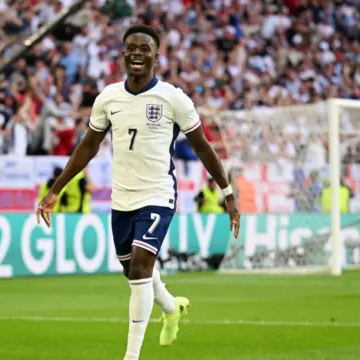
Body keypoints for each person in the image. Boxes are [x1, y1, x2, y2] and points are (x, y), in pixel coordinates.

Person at [36, 24, 240, 360]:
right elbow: (88, 146)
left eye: (144, 49)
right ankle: (172, 307)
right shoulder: (108, 98)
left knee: (143, 266)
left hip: (159, 193)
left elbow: (203, 146)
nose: (137, 54)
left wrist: (227, 191)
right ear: (123, 53)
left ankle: (131, 356)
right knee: (133, 271)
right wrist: (55, 191)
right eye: (131, 47)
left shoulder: (174, 98)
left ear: (156, 57)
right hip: (122, 198)